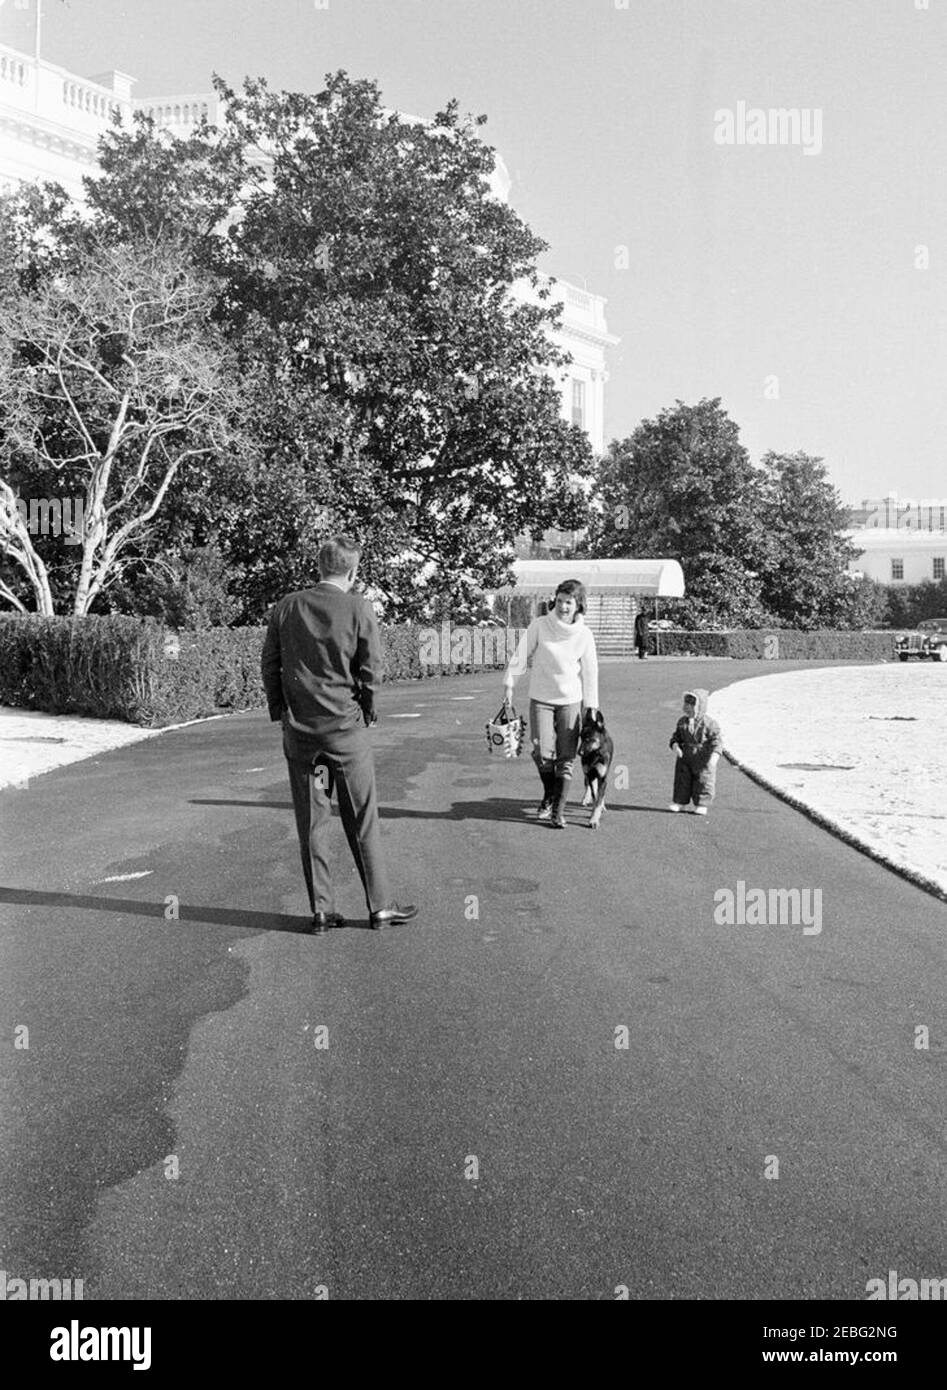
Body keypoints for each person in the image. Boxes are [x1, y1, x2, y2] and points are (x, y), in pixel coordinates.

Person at [261, 535, 417, 932]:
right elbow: (371, 669)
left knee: (312, 822)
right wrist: (368, 709)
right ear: (352, 570)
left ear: (318, 566)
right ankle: (380, 906)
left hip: (302, 734)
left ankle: (321, 910)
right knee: (362, 817)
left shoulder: (287, 606)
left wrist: (280, 710)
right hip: (346, 733)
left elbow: (270, 664)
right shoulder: (359, 607)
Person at [503, 579, 600, 829]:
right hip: (541, 699)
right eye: (559, 601)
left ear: (578, 605)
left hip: (570, 701)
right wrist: (510, 684)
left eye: (569, 602)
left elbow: (590, 673)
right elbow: (520, 655)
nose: (563, 607)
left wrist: (591, 707)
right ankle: (549, 794)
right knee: (542, 754)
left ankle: (558, 810)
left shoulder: (584, 634)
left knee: (566, 758)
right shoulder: (540, 625)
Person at [668, 688, 722, 815]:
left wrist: (714, 756)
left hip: (702, 757)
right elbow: (676, 737)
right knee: (682, 780)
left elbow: (717, 741)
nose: (687, 708)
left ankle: (702, 804)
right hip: (685, 756)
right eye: (686, 704)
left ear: (700, 706)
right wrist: (675, 745)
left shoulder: (710, 724)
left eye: (691, 705)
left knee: (703, 780)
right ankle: (680, 802)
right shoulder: (682, 722)